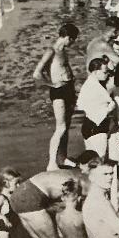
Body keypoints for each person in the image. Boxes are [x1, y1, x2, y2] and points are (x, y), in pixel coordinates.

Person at [33, 22, 80, 170]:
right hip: (58, 91)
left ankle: (63, 158)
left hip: (68, 90)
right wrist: (52, 84)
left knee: (66, 126)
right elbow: (37, 73)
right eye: (73, 39)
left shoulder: (63, 51)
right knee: (61, 127)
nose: (73, 42)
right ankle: (52, 163)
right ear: (68, 37)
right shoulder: (51, 51)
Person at [77, 57, 116, 156]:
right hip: (96, 126)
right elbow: (104, 107)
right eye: (105, 72)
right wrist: (110, 107)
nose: (107, 74)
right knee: (99, 159)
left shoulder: (91, 84)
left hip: (89, 125)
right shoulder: (94, 87)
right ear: (95, 72)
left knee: (92, 160)